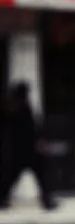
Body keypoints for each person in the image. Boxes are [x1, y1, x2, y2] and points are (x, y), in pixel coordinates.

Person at [0, 81, 57, 210]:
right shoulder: (22, 108)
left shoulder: (13, 107)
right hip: (28, 150)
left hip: (19, 151)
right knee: (41, 176)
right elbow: (30, 129)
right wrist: (39, 142)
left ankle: (2, 199)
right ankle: (47, 201)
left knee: (11, 177)